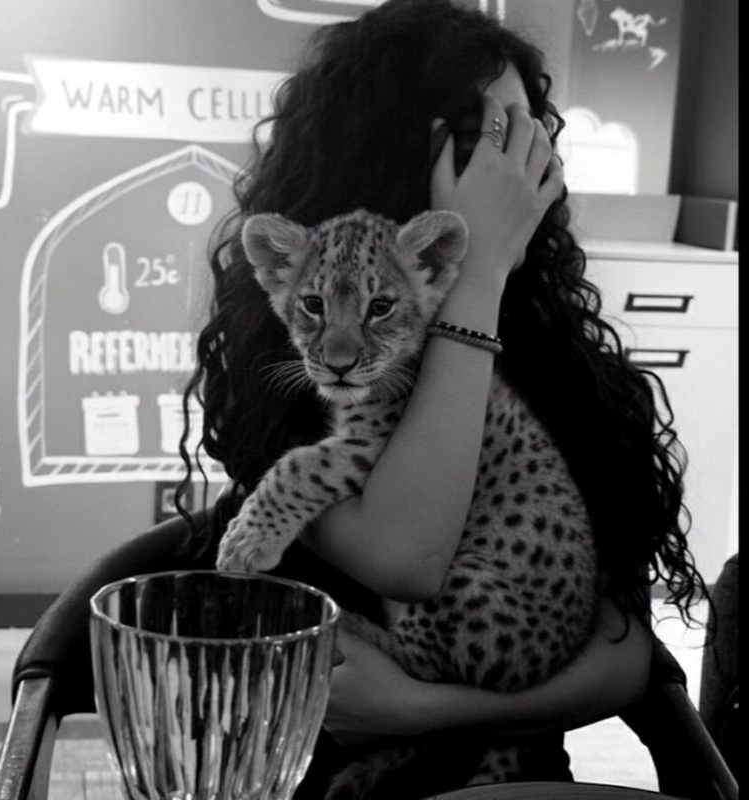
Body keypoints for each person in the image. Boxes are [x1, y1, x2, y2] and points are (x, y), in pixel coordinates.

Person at [176, 0, 709, 795]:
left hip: (512, 780)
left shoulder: (557, 349)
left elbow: (626, 655)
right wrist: (472, 276)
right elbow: (407, 557)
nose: (515, 169)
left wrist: (423, 711)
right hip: (314, 775)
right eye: (482, 138)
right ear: (392, 152)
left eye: (529, 136)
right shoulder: (288, 359)